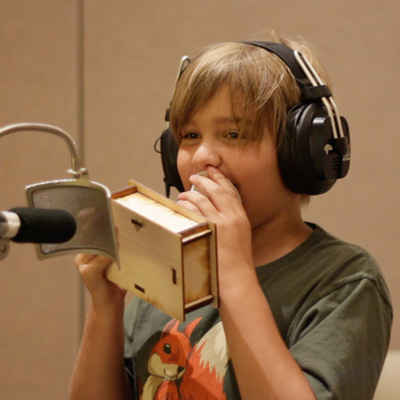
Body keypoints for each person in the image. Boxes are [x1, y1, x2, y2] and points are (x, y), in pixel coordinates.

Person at [70, 32, 392, 400]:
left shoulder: (345, 279)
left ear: (300, 153)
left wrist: (235, 276)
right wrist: (106, 307)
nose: (203, 155)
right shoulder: (169, 269)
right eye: (190, 134)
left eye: (234, 133)